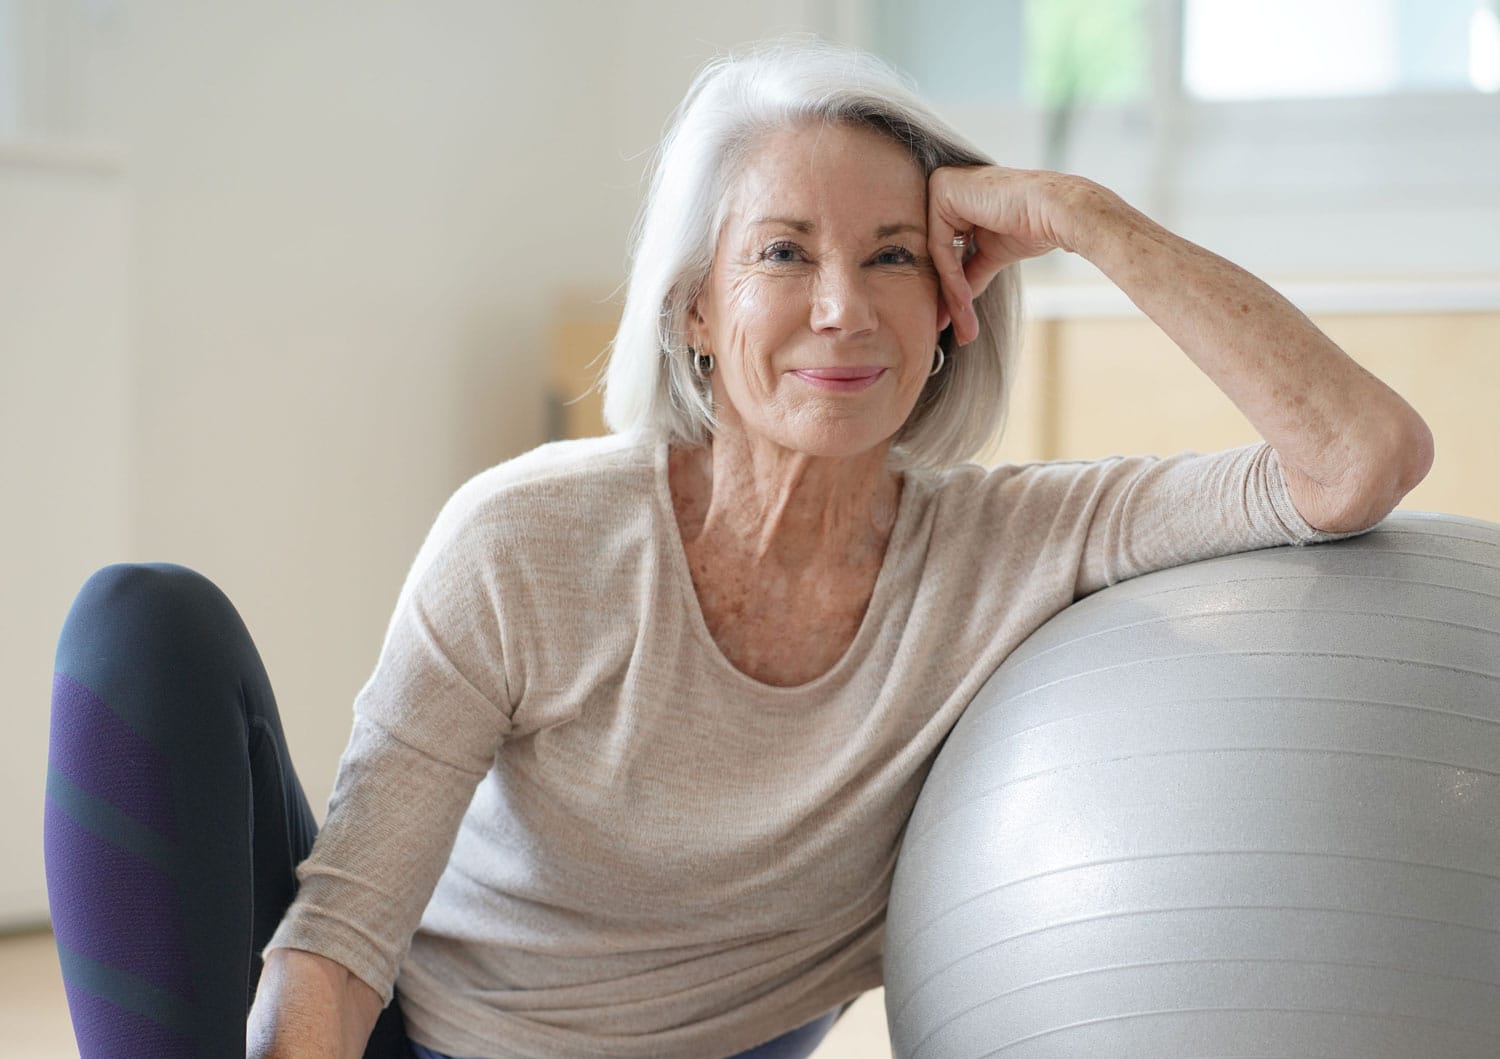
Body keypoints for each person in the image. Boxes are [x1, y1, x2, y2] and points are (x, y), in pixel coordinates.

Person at [44, 38, 1432, 1059]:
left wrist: (1086, 216)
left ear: (955, 303)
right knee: (140, 622)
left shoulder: (1020, 547)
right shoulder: (533, 540)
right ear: (694, 307)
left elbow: (1356, 459)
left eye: (895, 255)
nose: (844, 309)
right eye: (782, 254)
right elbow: (344, 941)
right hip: (421, 1033)